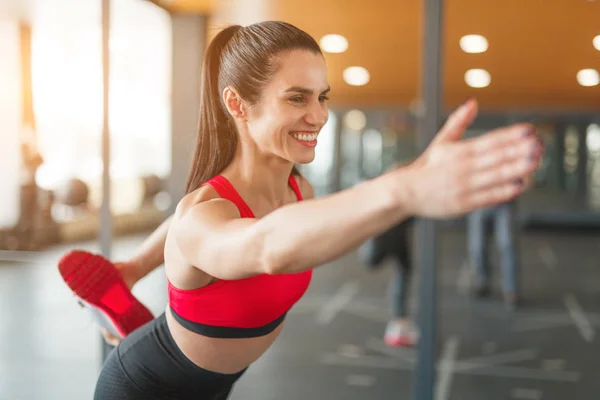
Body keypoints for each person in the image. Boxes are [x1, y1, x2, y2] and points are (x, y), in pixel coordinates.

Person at [58, 21, 543, 400]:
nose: (319, 116)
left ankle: (120, 290)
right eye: (297, 98)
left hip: (216, 384)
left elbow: (267, 223)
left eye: (322, 97)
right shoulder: (203, 216)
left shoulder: (297, 192)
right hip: (146, 391)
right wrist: (408, 188)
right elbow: (264, 244)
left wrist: (136, 264)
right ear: (238, 104)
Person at [359, 216, 417, 347]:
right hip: (386, 233)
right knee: (375, 260)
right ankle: (400, 323)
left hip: (394, 231)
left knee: (403, 268)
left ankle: (400, 324)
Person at [467, 199, 520, 309]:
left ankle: (510, 290)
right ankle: (482, 282)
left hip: (504, 202)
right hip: (478, 201)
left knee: (507, 243)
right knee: (477, 246)